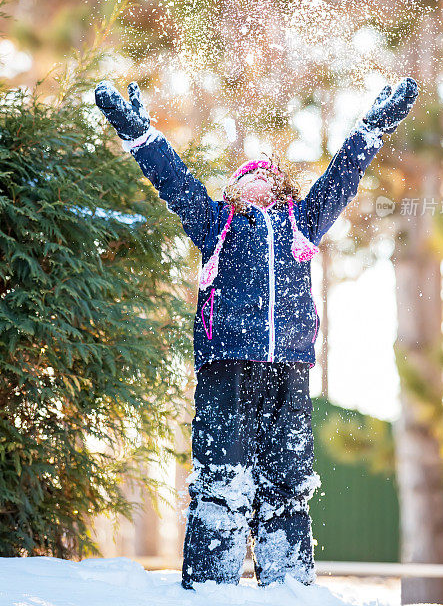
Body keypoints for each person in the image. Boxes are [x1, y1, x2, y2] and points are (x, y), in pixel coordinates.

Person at [95, 76, 418, 589]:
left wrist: (370, 127)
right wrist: (140, 134)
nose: (258, 177)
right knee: (222, 477)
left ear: (281, 187)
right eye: (248, 174)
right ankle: (211, 590)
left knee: (287, 483)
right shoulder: (215, 221)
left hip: (288, 368)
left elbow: (341, 178)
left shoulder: (301, 222)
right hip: (227, 363)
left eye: (268, 173)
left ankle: (288, 587)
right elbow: (174, 180)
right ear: (234, 188)